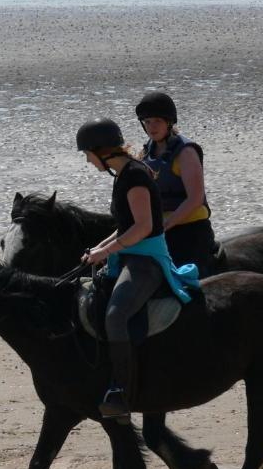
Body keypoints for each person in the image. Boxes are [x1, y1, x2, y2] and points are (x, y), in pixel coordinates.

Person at [75, 119, 199, 420]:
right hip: (129, 256)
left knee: (117, 314)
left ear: (101, 151)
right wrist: (97, 251)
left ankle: (122, 391)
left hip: (146, 262)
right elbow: (124, 227)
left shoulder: (134, 177)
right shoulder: (123, 175)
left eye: (87, 155)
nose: (88, 162)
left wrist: (106, 251)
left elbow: (143, 227)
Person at [135, 92, 218, 277]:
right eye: (147, 122)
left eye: (157, 120)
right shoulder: (145, 154)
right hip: (159, 232)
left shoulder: (185, 152)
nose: (152, 127)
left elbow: (195, 199)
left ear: (169, 122)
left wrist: (165, 224)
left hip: (190, 232)